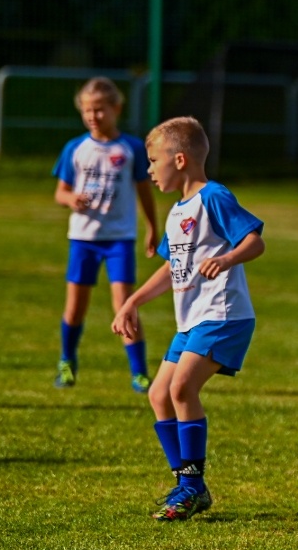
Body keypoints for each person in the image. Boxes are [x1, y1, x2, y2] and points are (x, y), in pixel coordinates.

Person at [113, 116, 266, 522]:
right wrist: (132, 302)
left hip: (223, 315)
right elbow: (171, 268)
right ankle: (187, 485)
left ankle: (191, 488)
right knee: (159, 394)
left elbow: (254, 240)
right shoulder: (177, 211)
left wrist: (228, 257)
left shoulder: (214, 197)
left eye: (152, 160)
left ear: (179, 159)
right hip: (192, 320)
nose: (148, 169)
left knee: (182, 388)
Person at [51, 76, 158, 392]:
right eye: (87, 111)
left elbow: (144, 192)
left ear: (116, 108)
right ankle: (67, 362)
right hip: (83, 239)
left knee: (124, 305)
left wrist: (152, 227)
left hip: (119, 239)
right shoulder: (76, 149)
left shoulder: (131, 148)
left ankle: (138, 373)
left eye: (99, 110)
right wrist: (71, 199)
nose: (93, 117)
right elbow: (61, 192)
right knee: (75, 307)